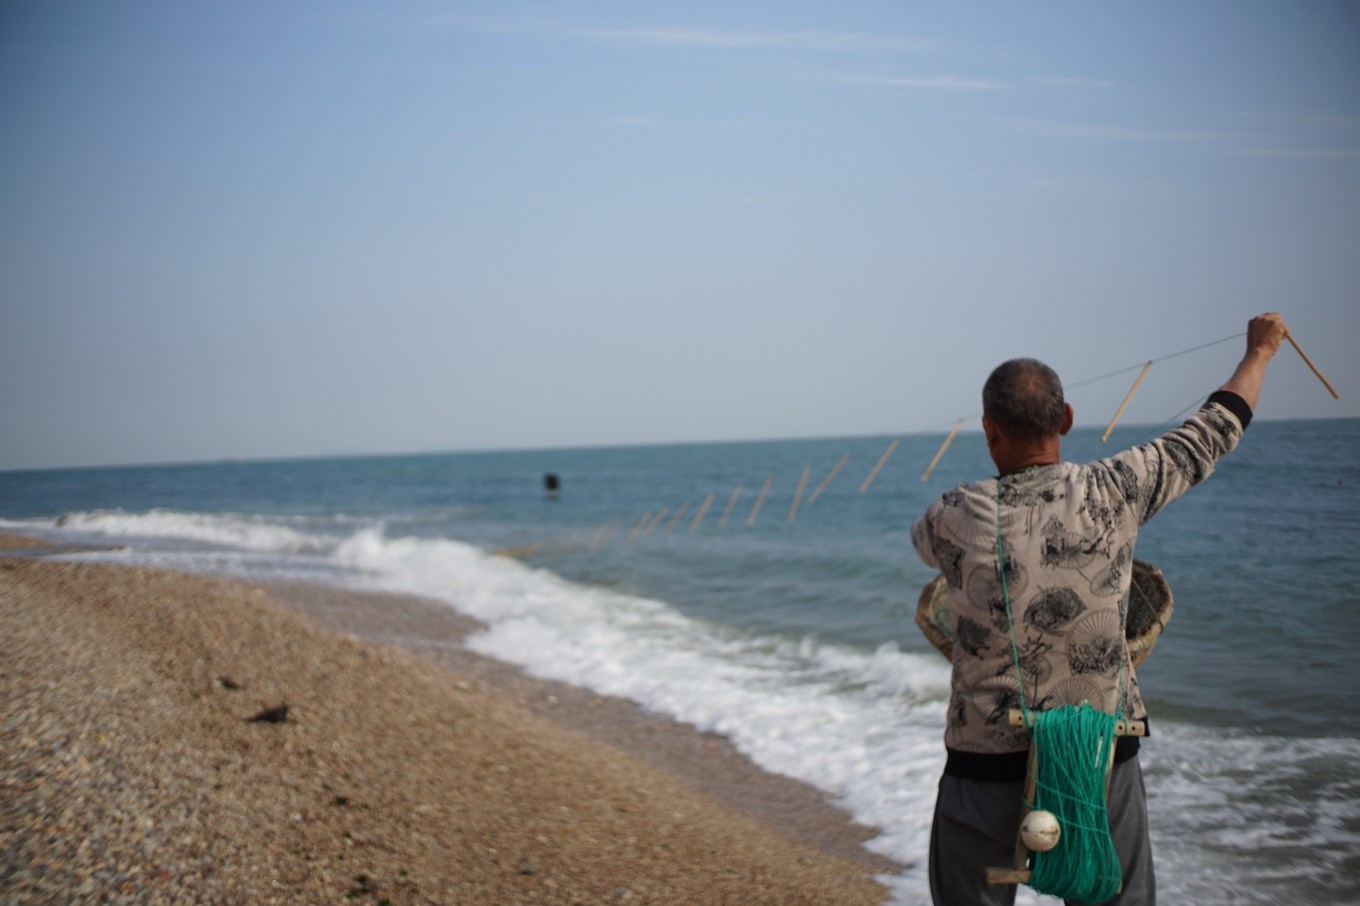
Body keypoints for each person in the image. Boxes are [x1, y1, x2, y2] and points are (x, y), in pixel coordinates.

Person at [910, 313, 1289, 905]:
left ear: (989, 429)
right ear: (1065, 419)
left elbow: (924, 548)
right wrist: (1259, 352)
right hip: (1099, 755)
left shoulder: (951, 513)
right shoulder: (1116, 488)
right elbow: (1215, 428)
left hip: (985, 764)